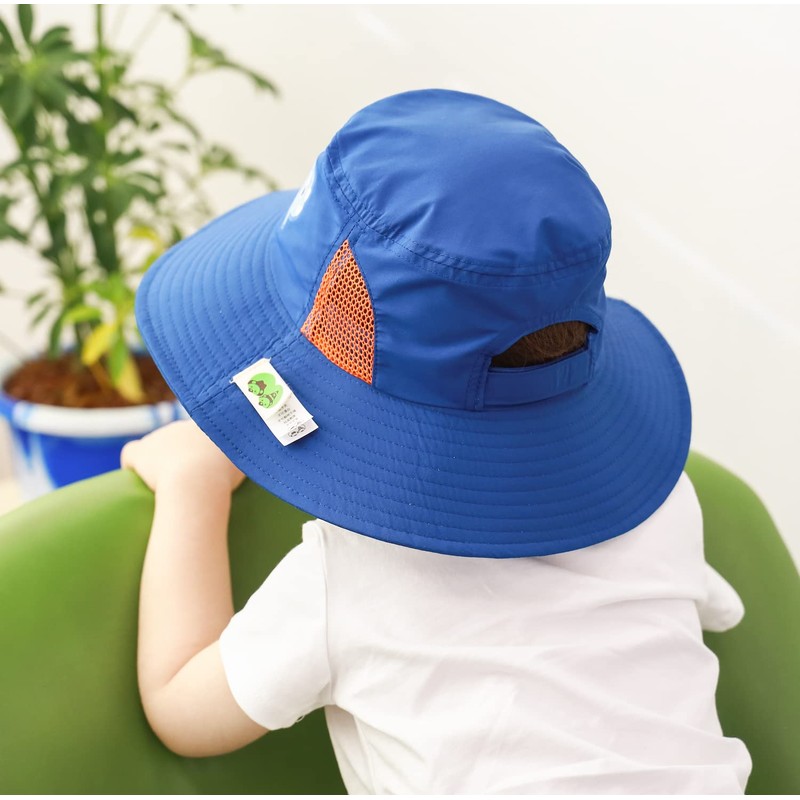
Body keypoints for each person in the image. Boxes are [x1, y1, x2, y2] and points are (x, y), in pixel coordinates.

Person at [122, 89, 753, 793]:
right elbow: (697, 620)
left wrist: (192, 486)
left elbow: (182, 708)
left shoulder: (351, 580)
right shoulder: (665, 503)